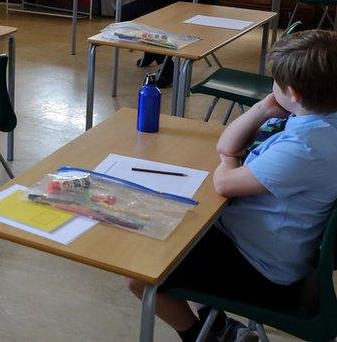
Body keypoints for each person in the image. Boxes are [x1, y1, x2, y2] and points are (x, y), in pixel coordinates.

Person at [127, 29, 337, 342]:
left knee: (140, 272)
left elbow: (224, 183)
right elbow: (228, 142)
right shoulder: (318, 120)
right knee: (178, 229)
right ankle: (218, 327)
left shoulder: (305, 147)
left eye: (275, 83)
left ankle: (206, 335)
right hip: (263, 244)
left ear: (293, 94)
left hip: (264, 269)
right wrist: (263, 109)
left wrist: (228, 160)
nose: (271, 88)